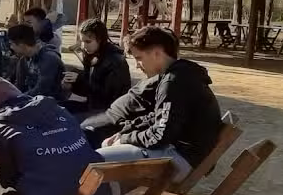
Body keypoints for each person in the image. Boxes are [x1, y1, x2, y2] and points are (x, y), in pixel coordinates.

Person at [95, 26, 222, 180]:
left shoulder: (174, 82)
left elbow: (159, 135)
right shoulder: (180, 75)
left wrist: (125, 139)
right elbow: (158, 117)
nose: (137, 65)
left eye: (139, 58)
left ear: (157, 53)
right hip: (186, 153)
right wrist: (125, 132)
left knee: (95, 161)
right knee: (107, 148)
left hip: (181, 159)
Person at [60, 19, 131, 117]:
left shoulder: (115, 61)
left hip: (110, 112)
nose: (84, 46)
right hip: (93, 106)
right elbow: (88, 91)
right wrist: (72, 85)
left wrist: (80, 79)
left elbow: (108, 96)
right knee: (58, 109)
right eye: (82, 41)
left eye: (88, 41)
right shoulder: (91, 55)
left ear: (100, 39)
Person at [7, 24, 66, 100]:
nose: (11, 48)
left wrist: (18, 99)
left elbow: (42, 90)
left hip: (52, 104)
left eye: (11, 44)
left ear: (22, 45)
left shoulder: (49, 58)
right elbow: (19, 85)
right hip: (33, 102)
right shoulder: (24, 60)